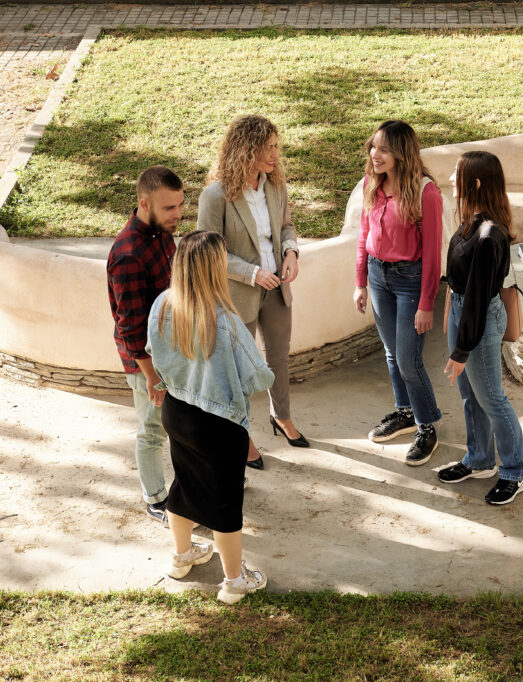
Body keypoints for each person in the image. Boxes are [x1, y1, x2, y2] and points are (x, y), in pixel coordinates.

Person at [147, 230, 275, 604]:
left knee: (184, 483)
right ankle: (235, 581)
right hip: (220, 425)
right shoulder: (226, 322)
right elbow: (258, 377)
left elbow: (151, 348)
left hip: (176, 411)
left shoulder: (163, 304)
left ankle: (182, 556)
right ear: (214, 270)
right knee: (225, 502)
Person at [197, 114, 308, 471]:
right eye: (269, 147)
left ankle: (282, 417)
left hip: (277, 288)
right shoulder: (216, 196)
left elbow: (287, 226)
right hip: (238, 293)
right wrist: (252, 273)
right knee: (240, 368)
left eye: (276, 146)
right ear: (247, 150)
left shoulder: (275, 185)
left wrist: (291, 251)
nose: (276, 154)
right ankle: (242, 435)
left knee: (278, 357)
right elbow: (209, 249)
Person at [438, 150, 523, 505]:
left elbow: (478, 296)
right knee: (469, 394)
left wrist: (462, 350)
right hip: (462, 313)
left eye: (456, 173)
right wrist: (450, 317)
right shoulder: (469, 221)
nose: (450, 178)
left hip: (479, 319)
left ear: (475, 182)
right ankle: (479, 460)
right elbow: (458, 282)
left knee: (492, 398)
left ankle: (515, 471)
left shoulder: (491, 234)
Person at [353, 120, 443, 466]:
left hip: (410, 280)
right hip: (378, 276)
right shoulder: (370, 185)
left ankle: (428, 424)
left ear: (401, 153)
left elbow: (434, 254)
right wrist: (360, 281)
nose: (375, 154)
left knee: (408, 359)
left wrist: (426, 303)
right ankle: (404, 411)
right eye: (373, 146)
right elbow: (364, 236)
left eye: (384, 149)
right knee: (392, 354)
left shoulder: (425, 192)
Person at [107, 165, 183, 525]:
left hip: (173, 351)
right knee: (152, 430)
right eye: (169, 208)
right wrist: (152, 377)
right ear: (144, 203)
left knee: (179, 425)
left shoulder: (162, 234)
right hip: (146, 364)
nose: (178, 214)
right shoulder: (128, 255)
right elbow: (130, 329)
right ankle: (155, 499)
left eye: (180, 205)